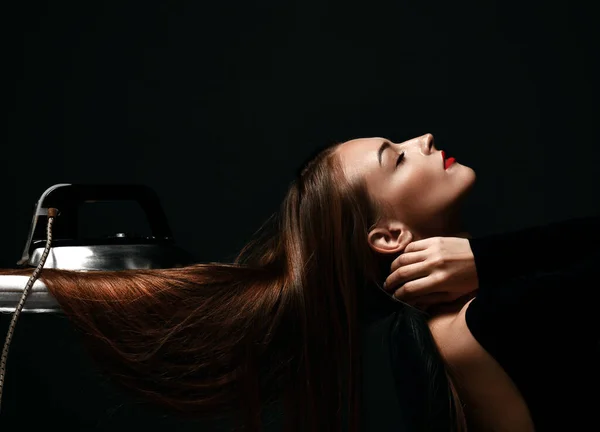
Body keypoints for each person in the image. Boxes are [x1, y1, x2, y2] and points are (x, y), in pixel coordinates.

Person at [1, 133, 597, 431]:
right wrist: (489, 260)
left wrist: (488, 259)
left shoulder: (458, 315)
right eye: (398, 158)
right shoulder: (477, 323)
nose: (424, 141)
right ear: (388, 237)